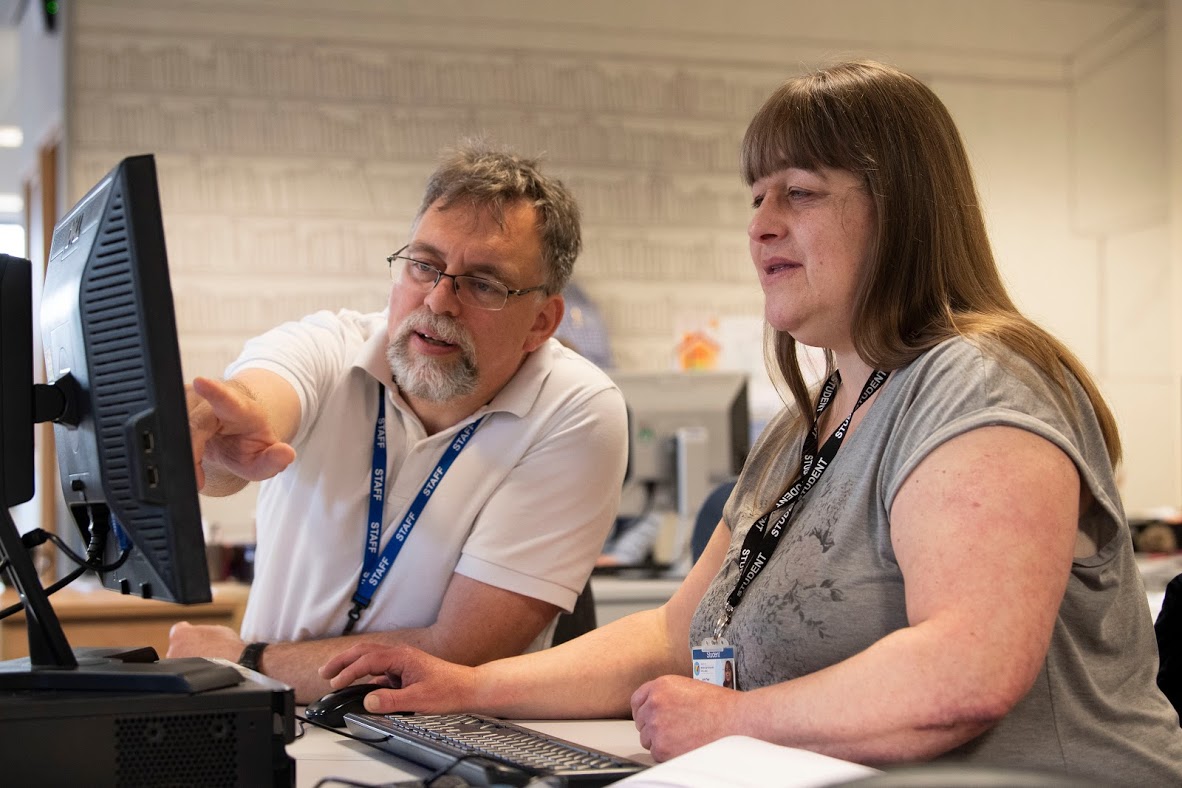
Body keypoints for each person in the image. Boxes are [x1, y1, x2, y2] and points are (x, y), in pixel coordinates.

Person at [318, 61, 1182, 783]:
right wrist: (469, 688)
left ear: (904, 210)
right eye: (756, 196)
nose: (760, 225)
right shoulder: (806, 425)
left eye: (798, 194)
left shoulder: (977, 382)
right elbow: (668, 635)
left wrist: (736, 720)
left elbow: (966, 673)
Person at [167, 144, 629, 702]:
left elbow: (459, 655)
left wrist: (246, 662)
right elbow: (251, 416)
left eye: (483, 283)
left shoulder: (578, 409)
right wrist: (224, 438)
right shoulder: (327, 345)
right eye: (424, 264)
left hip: (448, 747)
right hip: (279, 730)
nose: (439, 299)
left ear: (541, 322)